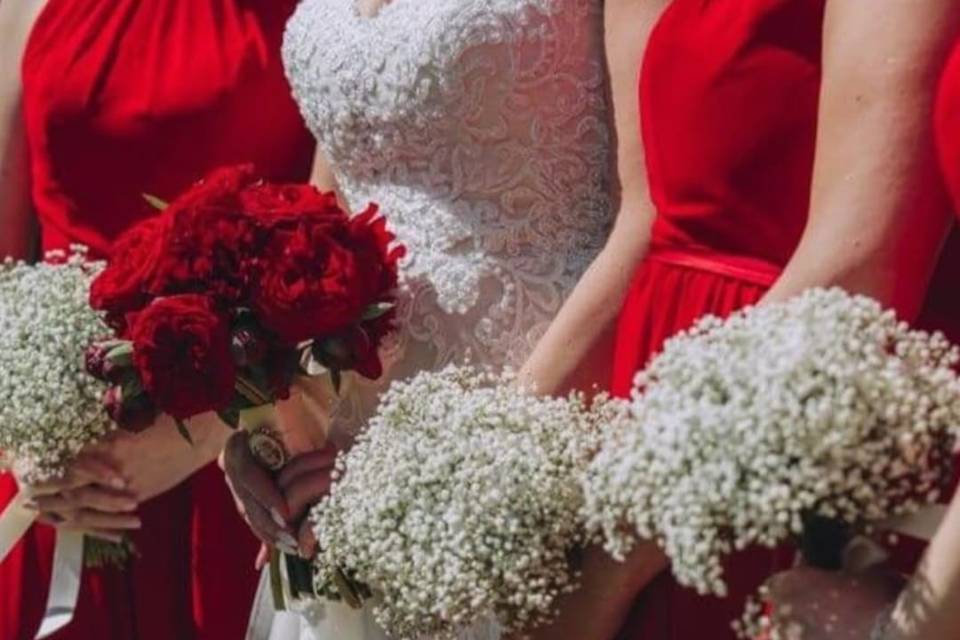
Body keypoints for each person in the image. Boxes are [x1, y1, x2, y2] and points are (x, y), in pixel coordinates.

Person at [514, 0, 960, 638]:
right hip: (665, 379)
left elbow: (860, 262)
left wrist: (616, 553)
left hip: (772, 412)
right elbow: (642, 218)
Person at [223, 0, 614, 638]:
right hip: (351, 477)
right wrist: (271, 435)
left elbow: (658, 220)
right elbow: (333, 213)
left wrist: (461, 467)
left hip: (538, 448)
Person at [0, 0, 314, 638]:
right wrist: (21, 440)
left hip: (237, 454)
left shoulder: (312, 16)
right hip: (59, 471)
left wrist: (189, 440)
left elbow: (335, 257)